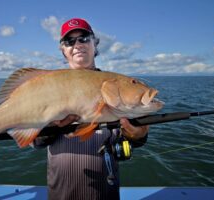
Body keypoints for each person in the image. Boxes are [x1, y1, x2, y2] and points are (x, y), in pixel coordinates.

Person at [33, 18, 149, 200]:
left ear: (95, 44)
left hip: (104, 193)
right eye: (69, 41)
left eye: (84, 38)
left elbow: (136, 139)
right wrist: (53, 126)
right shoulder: (47, 87)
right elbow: (37, 142)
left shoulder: (116, 87)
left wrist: (138, 135)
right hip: (60, 193)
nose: (77, 44)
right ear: (63, 51)